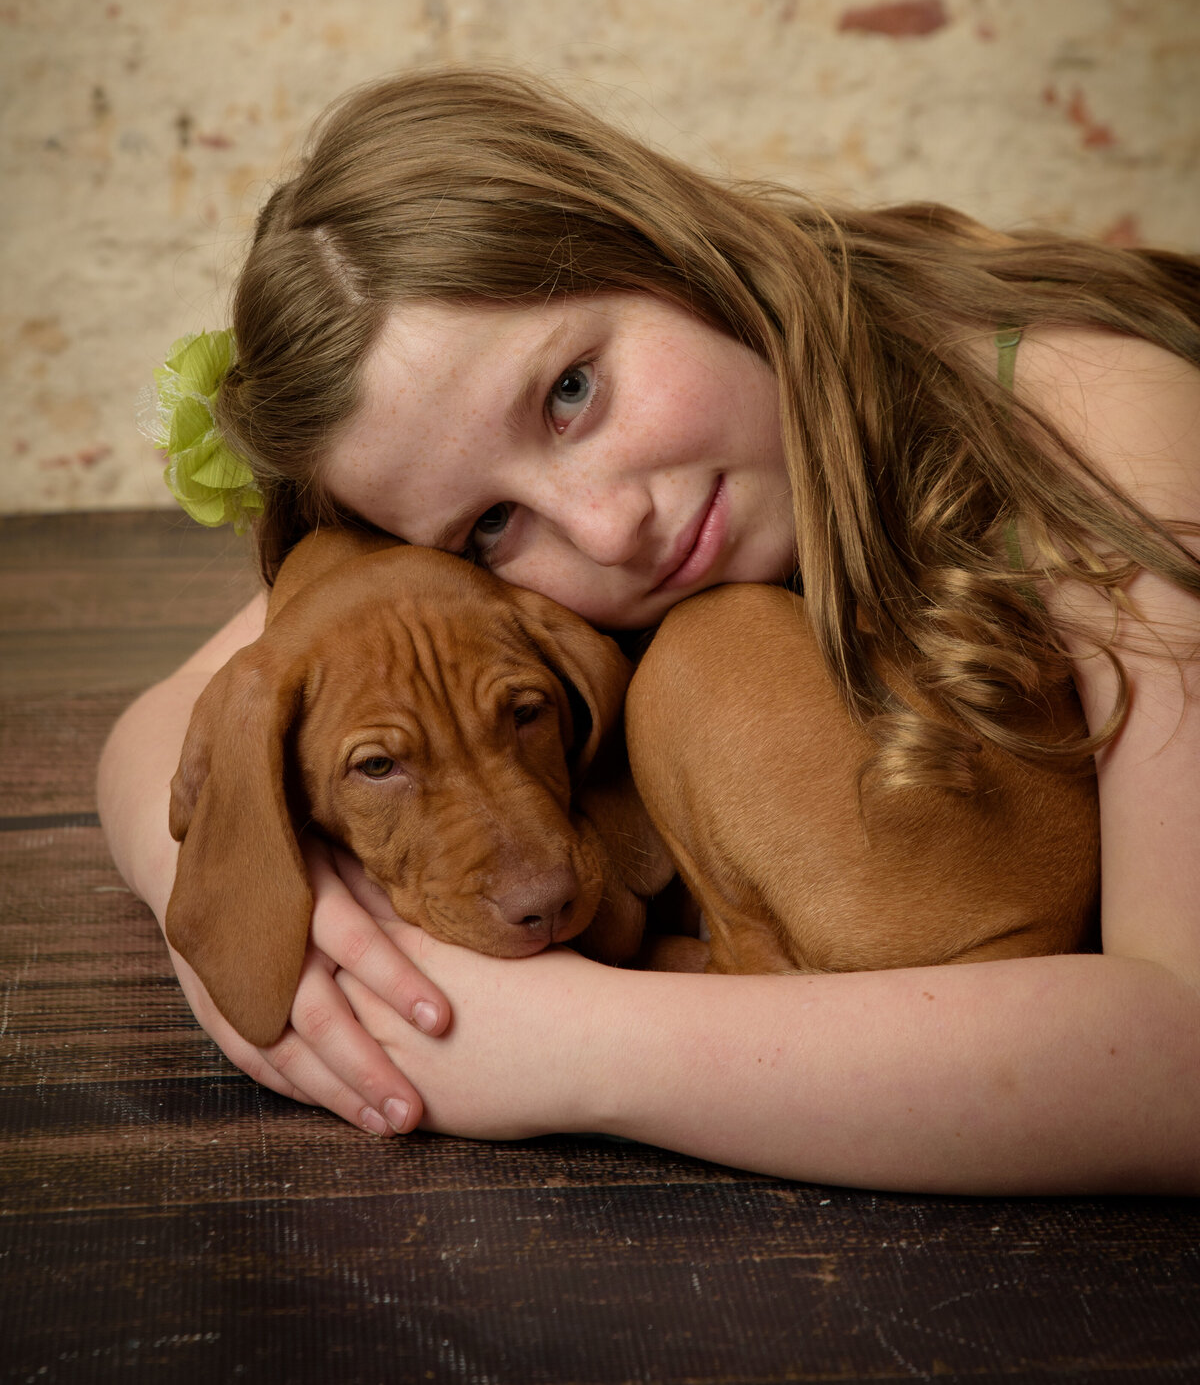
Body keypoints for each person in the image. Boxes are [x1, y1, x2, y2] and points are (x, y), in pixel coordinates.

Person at [97, 68, 1200, 1194]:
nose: (609, 525)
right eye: (491, 521)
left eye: (572, 389)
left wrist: (578, 1047)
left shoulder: (1104, 417)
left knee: (708, 660)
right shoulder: (462, 579)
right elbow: (165, 725)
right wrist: (272, 930)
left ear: (652, 240)